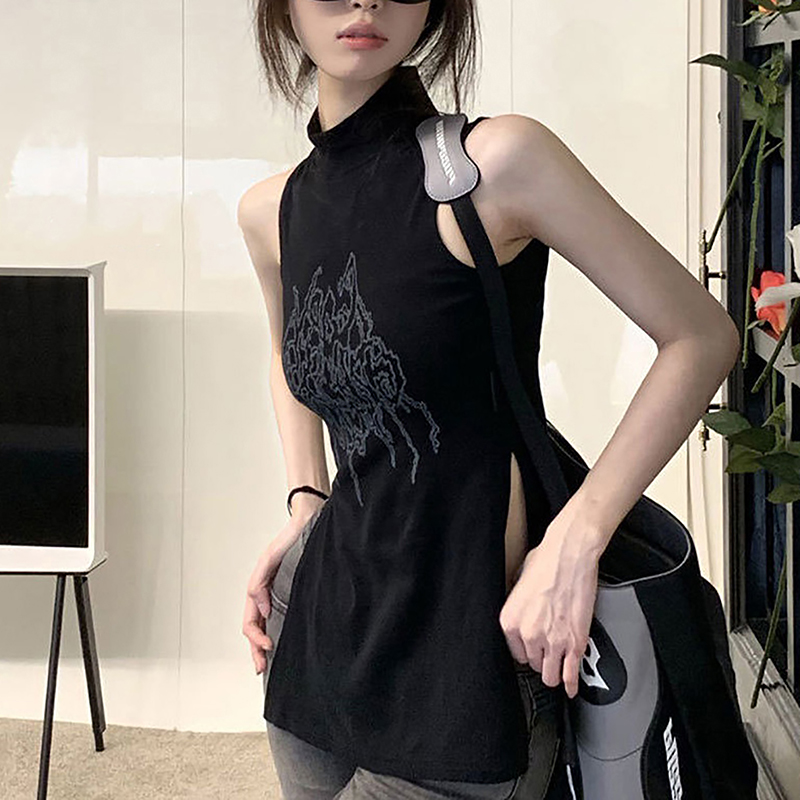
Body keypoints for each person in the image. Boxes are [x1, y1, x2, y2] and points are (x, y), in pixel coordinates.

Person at [237, 1, 741, 798]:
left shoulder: (493, 165)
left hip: (463, 654)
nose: (366, 1)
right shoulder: (273, 211)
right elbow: (285, 349)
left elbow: (701, 337)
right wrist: (306, 499)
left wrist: (575, 540)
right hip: (318, 624)